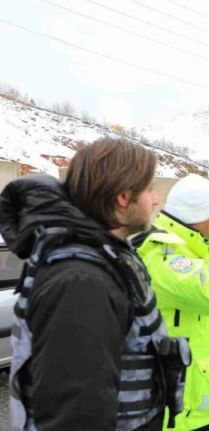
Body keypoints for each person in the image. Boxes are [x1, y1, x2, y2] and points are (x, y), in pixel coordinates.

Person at [0, 138, 190, 430]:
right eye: (150, 189)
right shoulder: (81, 282)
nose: (156, 201)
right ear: (124, 197)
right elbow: (74, 417)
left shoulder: (102, 258)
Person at [134, 174, 209, 430]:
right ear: (205, 215)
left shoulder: (194, 250)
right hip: (175, 409)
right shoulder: (162, 252)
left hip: (194, 400)